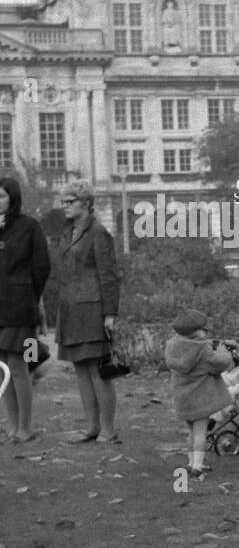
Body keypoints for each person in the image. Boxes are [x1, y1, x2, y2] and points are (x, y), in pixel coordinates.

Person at [55, 182, 122, 444]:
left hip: (93, 310)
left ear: (86, 203)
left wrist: (110, 314)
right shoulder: (67, 232)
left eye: (70, 201)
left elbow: (109, 277)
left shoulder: (98, 233)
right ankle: (92, 427)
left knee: (97, 370)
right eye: (63, 202)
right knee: (80, 369)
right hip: (70, 311)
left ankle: (108, 429)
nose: (65, 206)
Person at [0, 177, 51, 444]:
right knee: (2, 368)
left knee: (20, 365)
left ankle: (25, 427)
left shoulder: (29, 226)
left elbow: (41, 266)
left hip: (20, 305)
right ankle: (12, 427)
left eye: (1, 196)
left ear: (13, 199)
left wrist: (29, 292)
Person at [164, 308, 235, 479]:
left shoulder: (172, 346)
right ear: (196, 331)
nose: (207, 332)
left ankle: (190, 463)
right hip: (201, 399)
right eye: (204, 329)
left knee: (191, 432)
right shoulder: (203, 349)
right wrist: (223, 351)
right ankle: (198, 465)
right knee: (200, 433)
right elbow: (219, 364)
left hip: (182, 397)